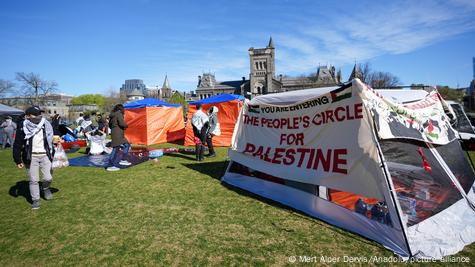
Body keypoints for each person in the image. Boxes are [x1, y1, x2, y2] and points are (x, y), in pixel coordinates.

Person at [13, 106, 54, 210]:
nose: (38, 116)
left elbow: (52, 136)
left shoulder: (45, 123)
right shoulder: (23, 126)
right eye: (36, 114)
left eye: (40, 114)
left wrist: (56, 141)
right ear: (28, 116)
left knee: (48, 177)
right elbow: (17, 144)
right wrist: (17, 160)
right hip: (31, 156)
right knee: (33, 180)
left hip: (45, 155)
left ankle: (45, 188)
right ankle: (35, 200)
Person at [107, 104, 131, 171]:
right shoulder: (119, 114)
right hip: (117, 134)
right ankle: (110, 165)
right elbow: (122, 123)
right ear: (121, 109)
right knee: (115, 149)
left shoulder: (112, 115)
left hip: (116, 133)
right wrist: (126, 125)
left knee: (127, 145)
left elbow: (110, 125)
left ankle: (123, 159)